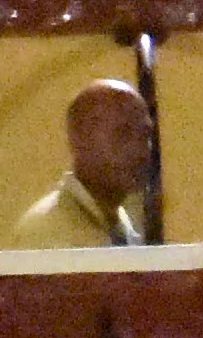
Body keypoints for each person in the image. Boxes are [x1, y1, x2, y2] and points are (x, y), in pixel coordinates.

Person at [9, 71, 163, 239]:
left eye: (145, 135)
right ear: (79, 138)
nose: (139, 150)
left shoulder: (119, 225)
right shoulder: (45, 232)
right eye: (122, 133)